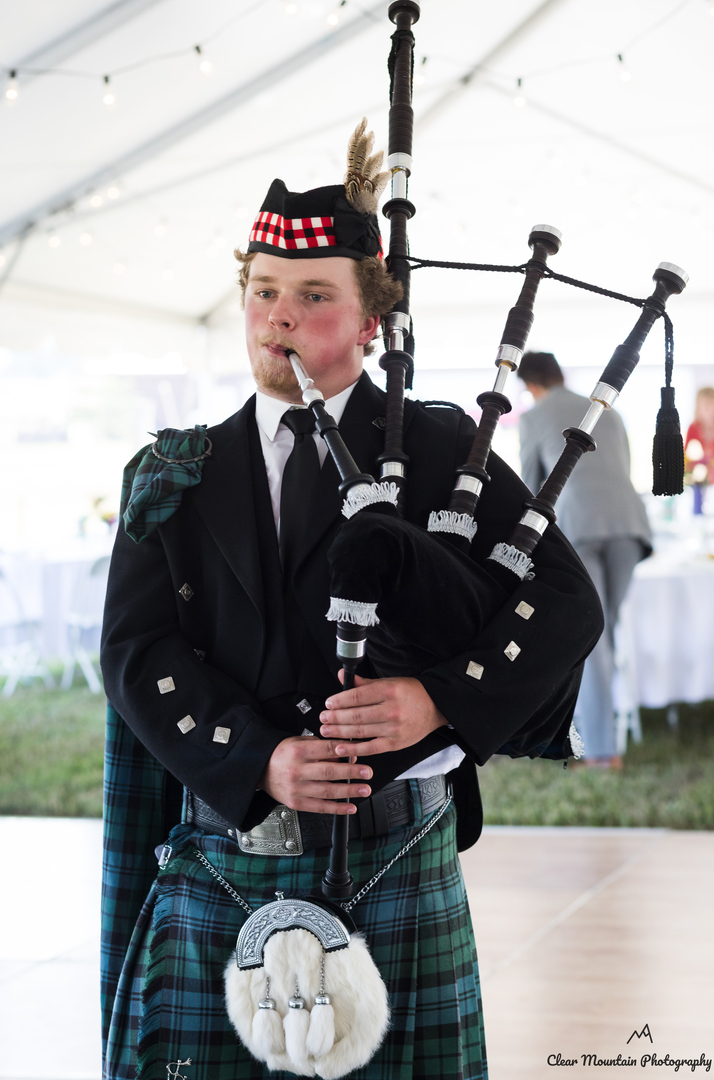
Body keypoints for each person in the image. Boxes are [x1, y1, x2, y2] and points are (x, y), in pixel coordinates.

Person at [100, 139, 602, 1080]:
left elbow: (565, 602)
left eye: (314, 296)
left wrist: (442, 699)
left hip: (393, 853)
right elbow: (134, 651)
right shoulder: (177, 472)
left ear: (373, 320)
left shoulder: (444, 445)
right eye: (262, 290)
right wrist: (257, 759)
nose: (278, 314)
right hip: (224, 861)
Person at [517, 351, 651, 768]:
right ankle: (604, 734)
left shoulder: (534, 415)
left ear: (532, 385)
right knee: (604, 634)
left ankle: (601, 751)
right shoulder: (606, 411)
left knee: (592, 639)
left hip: (579, 527)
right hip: (629, 525)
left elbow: (529, 488)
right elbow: (622, 469)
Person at [685, 386, 714, 486]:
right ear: (698, 408)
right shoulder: (693, 428)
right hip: (698, 483)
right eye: (704, 405)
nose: (708, 409)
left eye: (711, 404)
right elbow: (686, 460)